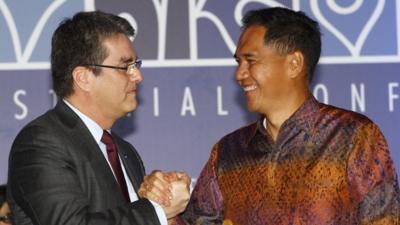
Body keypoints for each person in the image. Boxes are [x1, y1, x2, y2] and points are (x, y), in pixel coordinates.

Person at [145, 7, 400, 225]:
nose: (239, 74)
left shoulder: (352, 136)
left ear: (294, 64)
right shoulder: (229, 152)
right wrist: (165, 202)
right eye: (238, 62)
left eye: (251, 60)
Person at [7, 11, 190, 225]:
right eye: (125, 67)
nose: (138, 76)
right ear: (83, 78)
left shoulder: (125, 152)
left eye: (136, 66)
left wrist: (164, 197)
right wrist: (157, 210)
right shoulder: (39, 144)